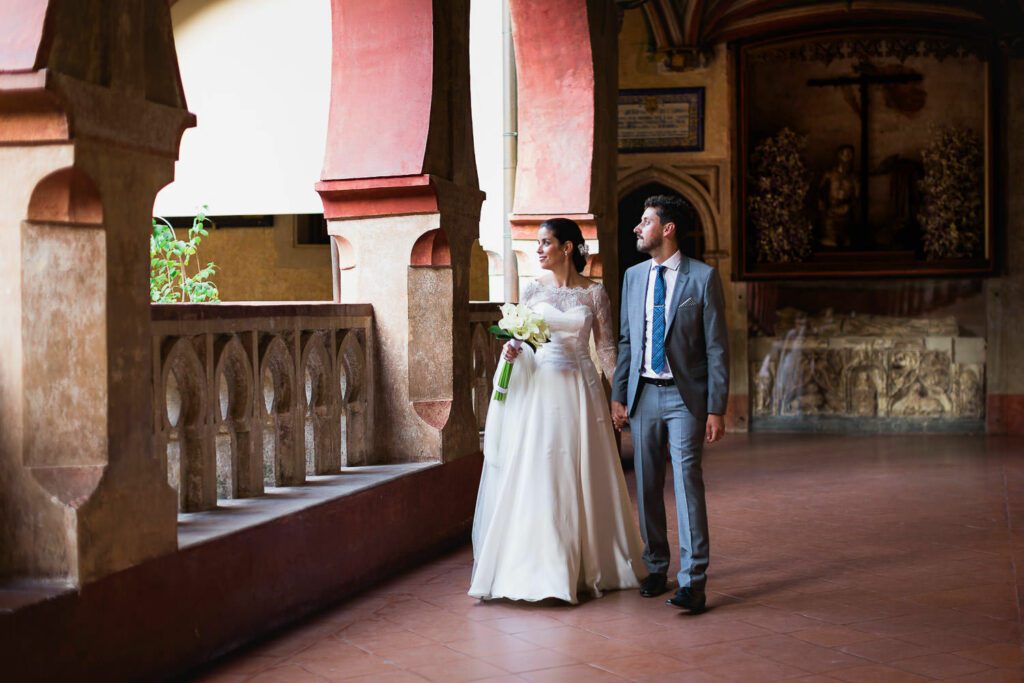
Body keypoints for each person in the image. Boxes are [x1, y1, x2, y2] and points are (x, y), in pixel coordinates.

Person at [469, 218, 646, 603]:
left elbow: (606, 350)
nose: (538, 250)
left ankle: (589, 564)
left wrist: (621, 394)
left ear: (567, 248)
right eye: (537, 244)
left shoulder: (594, 294)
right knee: (543, 471)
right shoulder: (532, 290)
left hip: (583, 393)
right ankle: (541, 566)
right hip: (542, 393)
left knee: (583, 472)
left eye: (545, 243)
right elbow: (523, 343)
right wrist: (511, 351)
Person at [611, 195, 729, 613]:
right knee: (645, 487)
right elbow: (627, 341)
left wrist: (716, 408)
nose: (638, 228)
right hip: (643, 396)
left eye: (645, 222)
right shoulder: (633, 277)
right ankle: (656, 566)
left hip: (685, 398)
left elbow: (716, 348)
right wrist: (619, 394)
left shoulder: (703, 278)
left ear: (668, 228)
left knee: (686, 484)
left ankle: (693, 581)